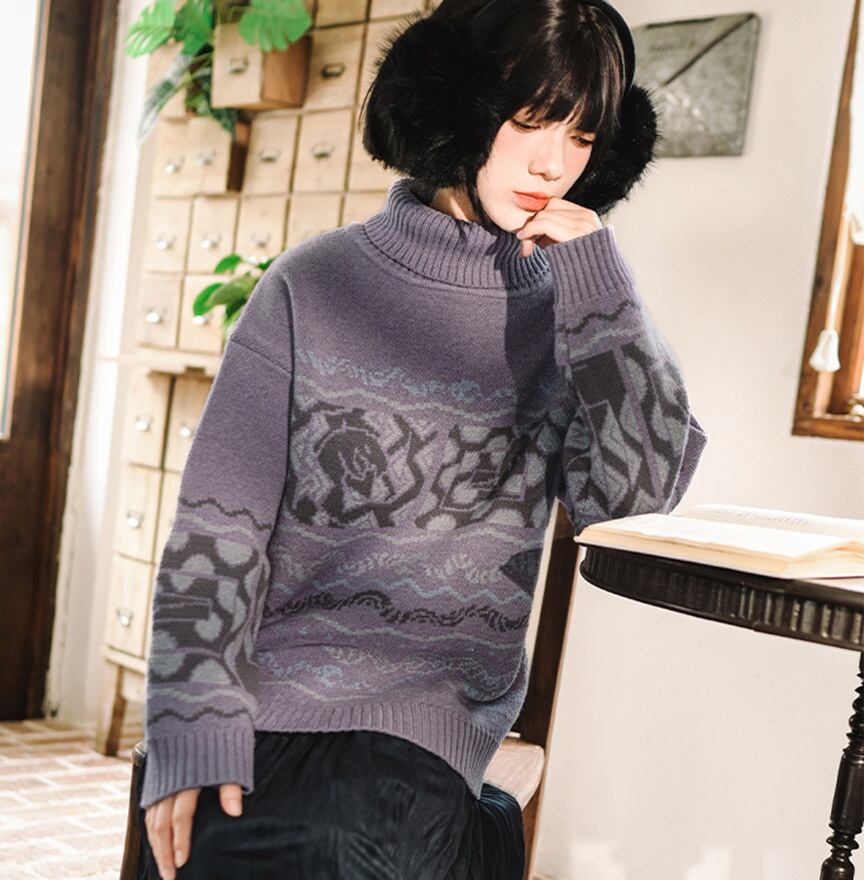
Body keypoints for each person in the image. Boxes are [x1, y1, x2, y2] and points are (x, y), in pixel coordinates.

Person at [136, 0, 708, 878]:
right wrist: (190, 724)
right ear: (457, 105)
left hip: (426, 717)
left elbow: (634, 499)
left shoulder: (576, 312)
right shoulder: (311, 286)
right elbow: (218, 529)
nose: (553, 164)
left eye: (583, 137)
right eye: (530, 121)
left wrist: (602, 288)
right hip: (266, 699)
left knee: (346, 845)